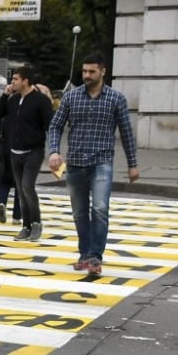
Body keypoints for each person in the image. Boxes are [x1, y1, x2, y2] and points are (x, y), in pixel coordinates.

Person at [48, 51, 138, 277]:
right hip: (75, 163)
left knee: (99, 208)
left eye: (91, 71)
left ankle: (96, 257)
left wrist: (132, 164)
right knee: (79, 213)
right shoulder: (71, 97)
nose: (87, 75)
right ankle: (85, 254)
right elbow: (55, 125)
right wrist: (54, 151)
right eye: (84, 71)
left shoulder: (116, 99)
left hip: (102, 162)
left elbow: (126, 133)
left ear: (103, 71)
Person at [0, 65, 53, 241]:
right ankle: (25, 226)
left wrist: (53, 151)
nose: (12, 82)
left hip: (33, 151)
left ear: (25, 81)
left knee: (27, 186)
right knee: (20, 190)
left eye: (15, 79)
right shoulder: (12, 99)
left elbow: (50, 124)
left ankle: (36, 223)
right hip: (14, 151)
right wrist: (5, 95)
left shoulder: (40, 101)